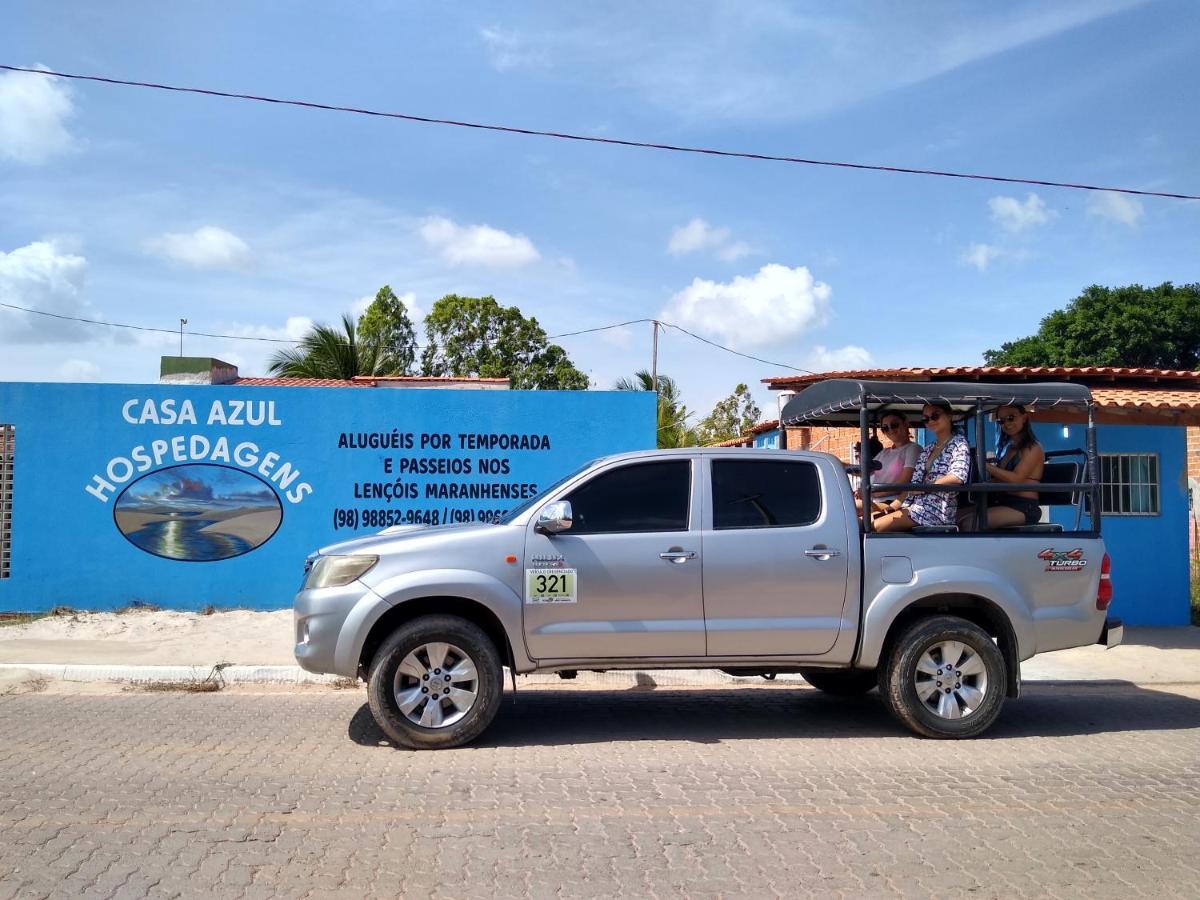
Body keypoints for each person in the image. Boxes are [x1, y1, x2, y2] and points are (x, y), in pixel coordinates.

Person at [873, 401, 972, 532]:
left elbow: (957, 477)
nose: (930, 421)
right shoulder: (928, 449)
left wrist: (926, 487)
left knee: (875, 526)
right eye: (926, 418)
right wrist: (893, 506)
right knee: (866, 521)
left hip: (936, 511)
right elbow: (914, 485)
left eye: (935, 416)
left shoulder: (959, 443)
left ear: (949, 415)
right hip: (915, 506)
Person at [960, 404, 1045, 529]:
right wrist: (975, 485)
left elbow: (1016, 479)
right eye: (1001, 421)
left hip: (1024, 507)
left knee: (969, 524)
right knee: (953, 517)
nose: (1007, 423)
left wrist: (984, 465)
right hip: (1002, 501)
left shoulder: (1033, 447)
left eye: (1011, 418)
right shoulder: (1009, 448)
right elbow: (1000, 478)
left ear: (1024, 418)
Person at [856, 412, 920, 520]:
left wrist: (872, 492)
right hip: (873, 500)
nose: (890, 429)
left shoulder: (913, 449)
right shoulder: (884, 452)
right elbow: (864, 471)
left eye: (894, 425)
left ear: (905, 424)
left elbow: (903, 483)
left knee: (852, 507)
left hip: (893, 502)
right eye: (885, 428)